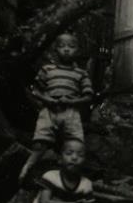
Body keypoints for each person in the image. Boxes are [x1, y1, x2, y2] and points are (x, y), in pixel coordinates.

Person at [19, 33, 94, 183]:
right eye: (62, 46)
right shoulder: (47, 69)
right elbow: (35, 90)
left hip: (71, 113)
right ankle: (27, 168)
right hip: (49, 111)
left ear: (77, 50)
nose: (66, 49)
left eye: (71, 47)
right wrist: (47, 99)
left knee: (75, 145)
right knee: (40, 143)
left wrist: (72, 102)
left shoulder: (81, 73)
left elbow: (88, 97)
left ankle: (70, 178)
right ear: (55, 49)